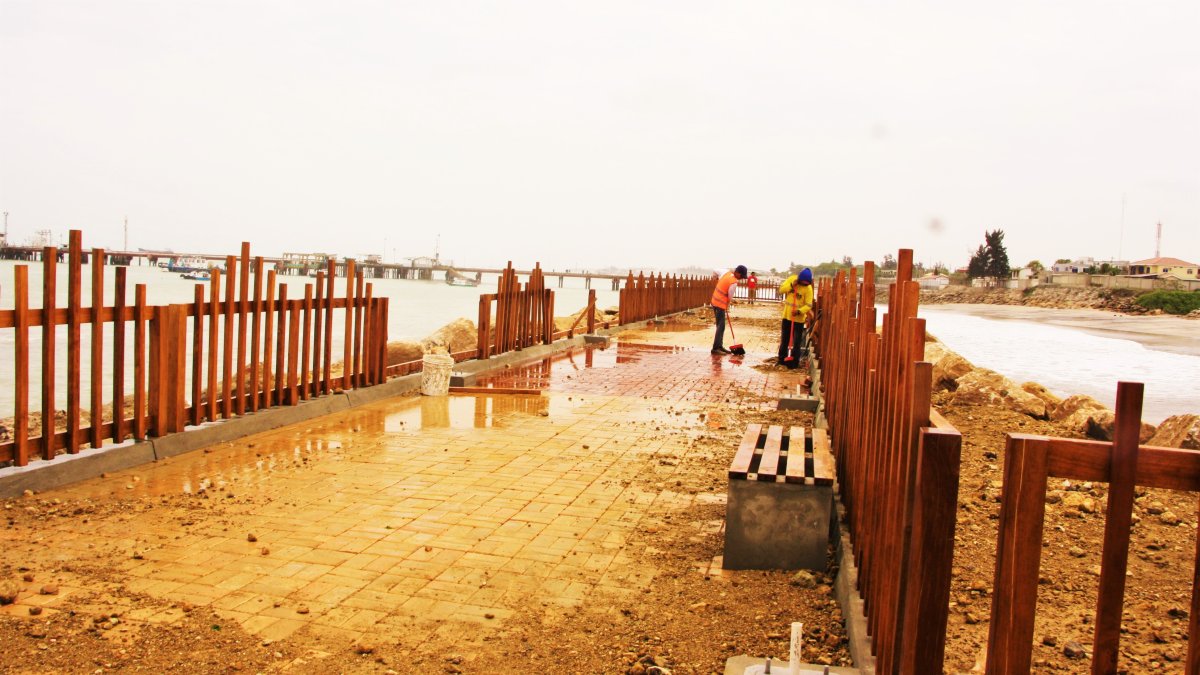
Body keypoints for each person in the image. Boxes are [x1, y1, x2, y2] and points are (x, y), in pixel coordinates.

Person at [778, 267, 814, 365]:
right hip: (787, 316)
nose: (804, 285)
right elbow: (781, 290)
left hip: (798, 319)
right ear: (799, 279)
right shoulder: (791, 280)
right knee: (784, 340)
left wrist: (799, 311)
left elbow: (808, 305)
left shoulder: (808, 289)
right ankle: (781, 360)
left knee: (796, 342)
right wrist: (791, 286)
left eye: (806, 284)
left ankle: (794, 362)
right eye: (803, 283)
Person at [710, 264, 747, 354]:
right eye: (742, 276)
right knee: (721, 326)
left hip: (714, 301)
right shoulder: (733, 282)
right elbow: (730, 296)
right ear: (738, 273)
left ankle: (719, 346)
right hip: (720, 304)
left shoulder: (726, 272)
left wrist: (714, 277)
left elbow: (715, 269)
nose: (742, 278)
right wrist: (726, 305)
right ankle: (715, 348)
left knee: (720, 325)